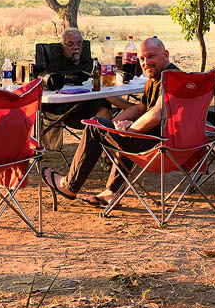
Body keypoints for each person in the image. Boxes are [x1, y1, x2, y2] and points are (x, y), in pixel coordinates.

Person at [46, 36, 176, 207]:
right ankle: (112, 192)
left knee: (94, 126)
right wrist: (114, 125)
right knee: (108, 127)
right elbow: (140, 109)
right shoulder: (159, 79)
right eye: (142, 59)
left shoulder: (170, 80)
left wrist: (128, 130)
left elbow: (156, 116)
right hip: (176, 143)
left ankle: (69, 185)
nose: (146, 62)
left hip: (157, 143)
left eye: (151, 56)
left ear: (165, 54)